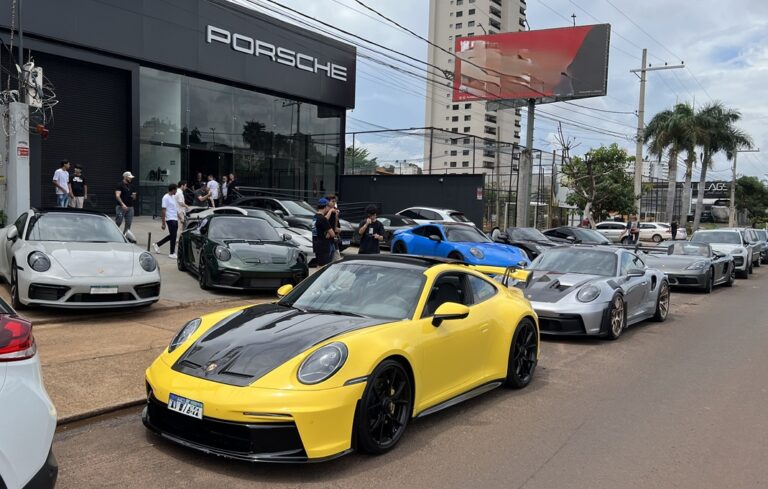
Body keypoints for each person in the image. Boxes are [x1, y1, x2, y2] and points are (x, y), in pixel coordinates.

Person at [153, 183, 179, 259]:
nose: (176, 191)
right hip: (169, 218)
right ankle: (172, 253)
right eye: (176, 189)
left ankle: (157, 244)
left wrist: (179, 216)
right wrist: (163, 223)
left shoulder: (173, 197)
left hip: (175, 218)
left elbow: (175, 208)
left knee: (173, 235)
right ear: (173, 189)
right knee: (173, 235)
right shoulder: (165, 197)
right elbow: (163, 210)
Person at [312, 198, 335, 267]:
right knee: (324, 267)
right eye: (328, 206)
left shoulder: (315, 217)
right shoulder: (323, 219)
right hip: (323, 246)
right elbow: (333, 234)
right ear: (325, 207)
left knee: (319, 265)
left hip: (316, 245)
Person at [326, 194, 341, 261]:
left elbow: (337, 227)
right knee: (326, 261)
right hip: (327, 240)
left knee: (336, 260)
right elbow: (324, 222)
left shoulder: (334, 212)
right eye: (332, 201)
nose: (334, 203)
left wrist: (337, 216)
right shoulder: (326, 212)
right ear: (328, 202)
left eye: (335, 202)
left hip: (334, 240)